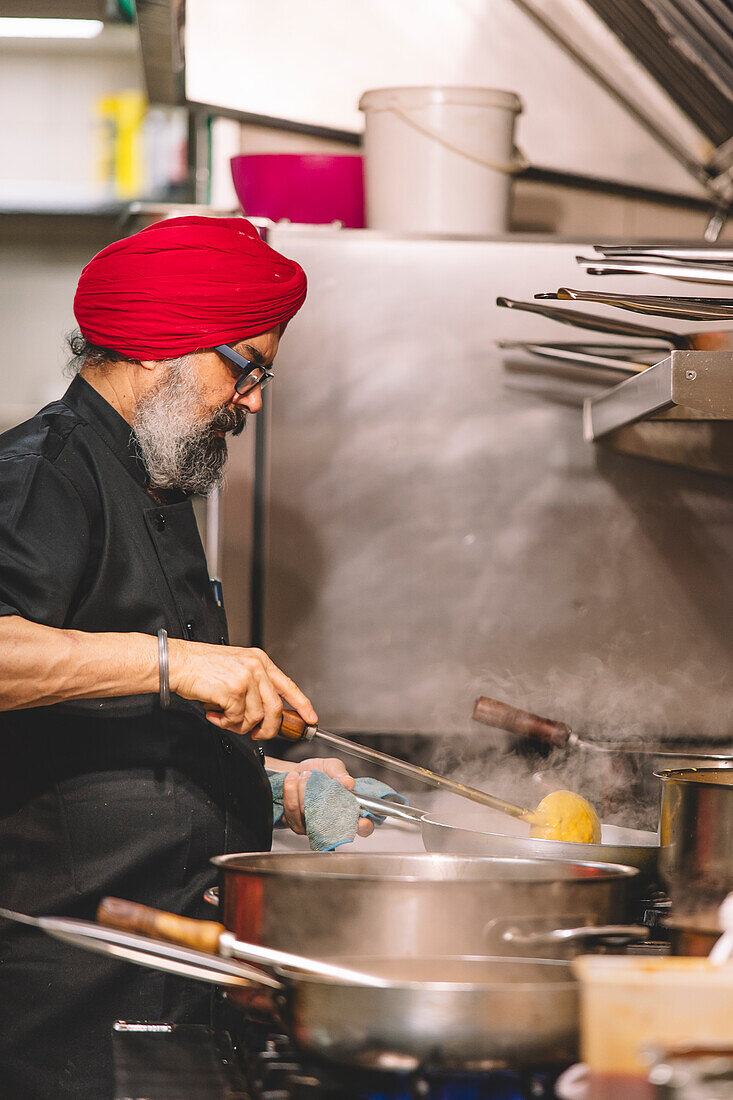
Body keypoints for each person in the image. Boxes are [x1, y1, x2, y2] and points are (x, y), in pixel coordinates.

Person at [0, 216, 372, 1099]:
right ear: (159, 343)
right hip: (67, 991)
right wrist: (176, 661)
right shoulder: (42, 474)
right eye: (245, 367)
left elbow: (129, 721)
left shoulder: (154, 483)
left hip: (166, 967)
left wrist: (267, 781)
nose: (252, 400)